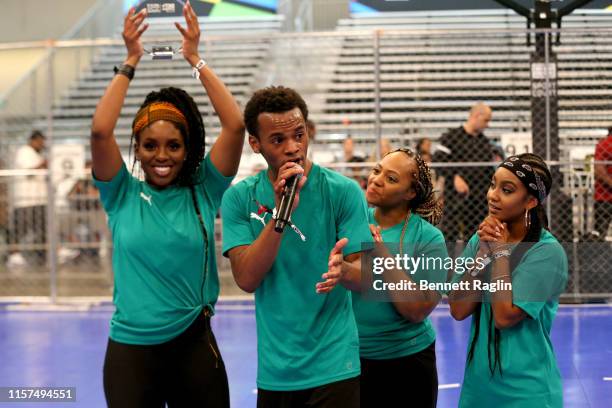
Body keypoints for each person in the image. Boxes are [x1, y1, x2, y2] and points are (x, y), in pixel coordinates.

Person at [91, 3, 244, 407]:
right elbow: (100, 130)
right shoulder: (120, 194)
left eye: (174, 146)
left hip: (194, 346)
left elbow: (235, 126)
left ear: (187, 149)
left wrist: (194, 58)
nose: (162, 156)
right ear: (137, 151)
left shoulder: (203, 189)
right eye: (150, 146)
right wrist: (130, 60)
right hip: (130, 354)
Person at [221, 86, 372, 408]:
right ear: (255, 144)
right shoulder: (239, 198)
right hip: (277, 370)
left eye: (299, 135)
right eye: (278, 140)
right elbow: (247, 279)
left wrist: (344, 271)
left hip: (335, 364)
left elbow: (368, 277)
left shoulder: (344, 192)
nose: (293, 148)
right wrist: (280, 214)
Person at [448, 153, 568, 407]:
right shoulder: (480, 240)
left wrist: (499, 252)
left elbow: (504, 316)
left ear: (531, 201)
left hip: (526, 393)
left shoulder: (546, 252)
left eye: (507, 189)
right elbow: (458, 309)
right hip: (478, 389)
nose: (493, 195)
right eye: (493, 184)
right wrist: (482, 255)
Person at [352, 148, 447, 408]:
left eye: (391, 178)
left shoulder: (429, 239)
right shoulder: (351, 222)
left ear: (411, 193)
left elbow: (416, 310)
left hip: (408, 363)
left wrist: (381, 251)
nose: (377, 179)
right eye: (376, 170)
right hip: (351, 359)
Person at [433, 103, 494, 243]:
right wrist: (454, 176)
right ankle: (446, 263)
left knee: (476, 236)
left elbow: (488, 171)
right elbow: (438, 159)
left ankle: (473, 263)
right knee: (449, 234)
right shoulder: (452, 137)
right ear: (476, 116)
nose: (488, 125)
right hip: (454, 197)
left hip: (478, 200)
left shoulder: (484, 143)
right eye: (486, 120)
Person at [10, 130, 48, 266]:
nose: (42, 145)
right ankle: (14, 255)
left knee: (42, 229)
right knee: (21, 229)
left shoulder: (36, 154)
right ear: (34, 140)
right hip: (26, 200)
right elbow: (29, 171)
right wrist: (43, 164)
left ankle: (43, 255)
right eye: (41, 142)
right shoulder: (24, 152)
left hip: (39, 199)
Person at [592, 127, 612, 240]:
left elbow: (599, 170)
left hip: (603, 197)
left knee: (600, 232)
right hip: (604, 196)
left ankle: (597, 255)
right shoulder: (605, 144)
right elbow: (599, 170)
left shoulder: (603, 144)